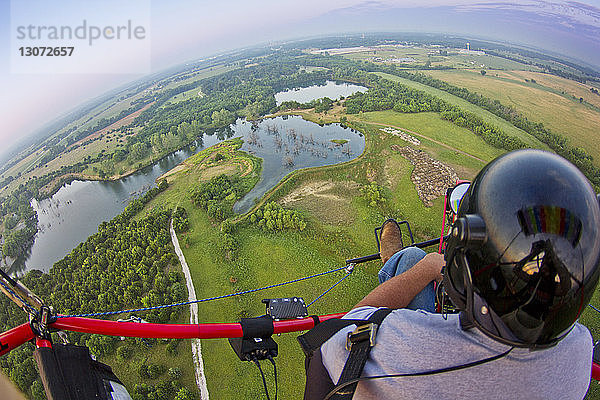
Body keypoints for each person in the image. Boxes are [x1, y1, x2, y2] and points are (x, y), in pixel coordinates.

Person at [316, 149, 600, 399]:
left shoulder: (404, 347)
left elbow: (338, 334)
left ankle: (393, 262)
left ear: (465, 270)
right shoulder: (580, 351)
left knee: (413, 258)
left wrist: (427, 269)